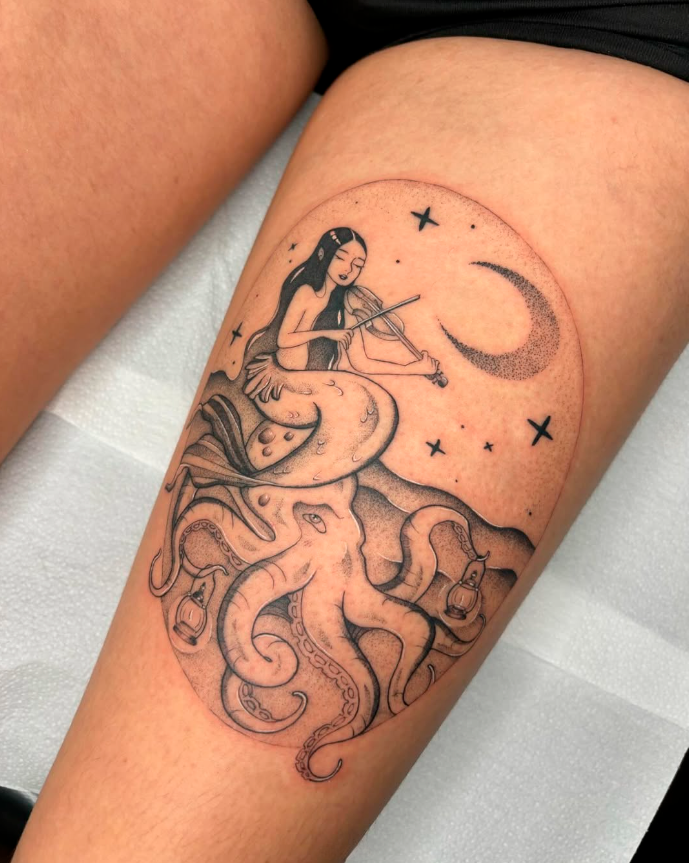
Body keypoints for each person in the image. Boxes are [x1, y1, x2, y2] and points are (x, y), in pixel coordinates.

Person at [7, 2, 689, 861]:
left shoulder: (350, 299)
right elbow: (293, 347)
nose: (355, 271)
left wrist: (412, 359)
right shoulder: (312, 296)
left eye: (358, 266)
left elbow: (380, 354)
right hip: (285, 372)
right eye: (348, 262)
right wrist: (336, 336)